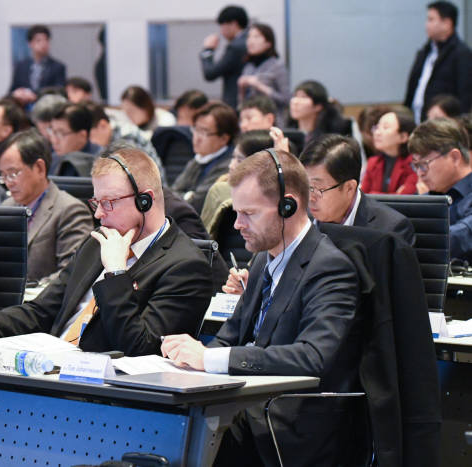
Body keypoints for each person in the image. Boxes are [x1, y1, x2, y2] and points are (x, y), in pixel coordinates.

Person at [161, 149, 361, 466]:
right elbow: (232, 336)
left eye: (249, 213)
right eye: (237, 212)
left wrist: (210, 358)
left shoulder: (330, 268)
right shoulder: (262, 261)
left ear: (289, 206)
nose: (237, 225)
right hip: (249, 406)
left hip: (291, 420)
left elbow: (312, 357)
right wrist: (189, 361)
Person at [0, 147, 213, 356]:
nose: (99, 214)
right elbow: (42, 311)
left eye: (109, 203)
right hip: (50, 368)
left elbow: (139, 349)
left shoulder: (185, 266)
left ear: (145, 201)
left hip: (106, 397)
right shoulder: (97, 243)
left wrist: (115, 273)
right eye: (96, 202)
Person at [0, 129, 93, 284]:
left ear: (39, 168)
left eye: (13, 173)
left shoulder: (70, 210)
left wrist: (30, 290)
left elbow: (71, 272)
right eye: (3, 175)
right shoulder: (6, 207)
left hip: (41, 301)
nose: (8, 182)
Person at [301, 134, 415, 245]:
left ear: (349, 188)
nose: (310, 198)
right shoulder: (298, 221)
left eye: (318, 189)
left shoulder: (390, 230)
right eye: (306, 186)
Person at [409, 117, 472, 262]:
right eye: (416, 166)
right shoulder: (426, 197)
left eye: (424, 164)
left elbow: (457, 238)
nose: (420, 173)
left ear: (455, 157)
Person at [404, 1, 472, 123]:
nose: (426, 25)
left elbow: (465, 96)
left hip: (442, 123)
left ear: (447, 23)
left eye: (431, 19)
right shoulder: (425, 52)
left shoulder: (461, 54)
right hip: (416, 119)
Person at [200, 129, 274, 234]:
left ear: (260, 164)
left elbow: (203, 238)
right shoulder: (223, 182)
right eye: (233, 158)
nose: (231, 166)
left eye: (239, 160)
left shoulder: (220, 190)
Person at [172, 101, 237, 213]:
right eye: (196, 129)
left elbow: (196, 204)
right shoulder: (199, 158)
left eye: (204, 132)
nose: (197, 138)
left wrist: (189, 196)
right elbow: (172, 193)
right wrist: (188, 195)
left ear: (224, 139)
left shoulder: (228, 166)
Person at [87, 102, 165, 180]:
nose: (90, 141)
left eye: (90, 136)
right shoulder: (110, 140)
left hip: (153, 188)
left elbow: (135, 178)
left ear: (102, 125)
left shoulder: (126, 137)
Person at [237, 23, 290, 127]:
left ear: (268, 43)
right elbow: (241, 104)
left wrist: (259, 86)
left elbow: (285, 99)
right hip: (249, 123)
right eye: (249, 37)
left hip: (273, 122)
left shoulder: (277, 66)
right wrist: (241, 89)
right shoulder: (248, 67)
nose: (250, 41)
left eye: (256, 37)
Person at [200, 5, 248, 109]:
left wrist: (208, 50)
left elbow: (210, 73)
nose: (221, 31)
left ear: (233, 24)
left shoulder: (236, 46)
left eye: (222, 25)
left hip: (236, 102)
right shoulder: (247, 40)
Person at [361, 109, 418, 194]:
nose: (377, 132)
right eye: (376, 127)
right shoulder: (373, 163)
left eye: (385, 127)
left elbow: (404, 200)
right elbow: (363, 197)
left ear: (403, 137)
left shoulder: (414, 163)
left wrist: (373, 194)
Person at [9, 24, 66, 106]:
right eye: (38, 40)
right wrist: (17, 93)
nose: (43, 44)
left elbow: (59, 91)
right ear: (30, 44)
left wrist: (34, 95)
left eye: (46, 40)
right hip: (23, 108)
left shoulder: (58, 67)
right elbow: (13, 88)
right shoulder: (21, 66)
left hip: (47, 108)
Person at [49, 103, 102, 175]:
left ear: (82, 135)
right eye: (53, 132)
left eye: (61, 134)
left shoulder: (102, 163)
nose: (54, 140)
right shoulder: (52, 160)